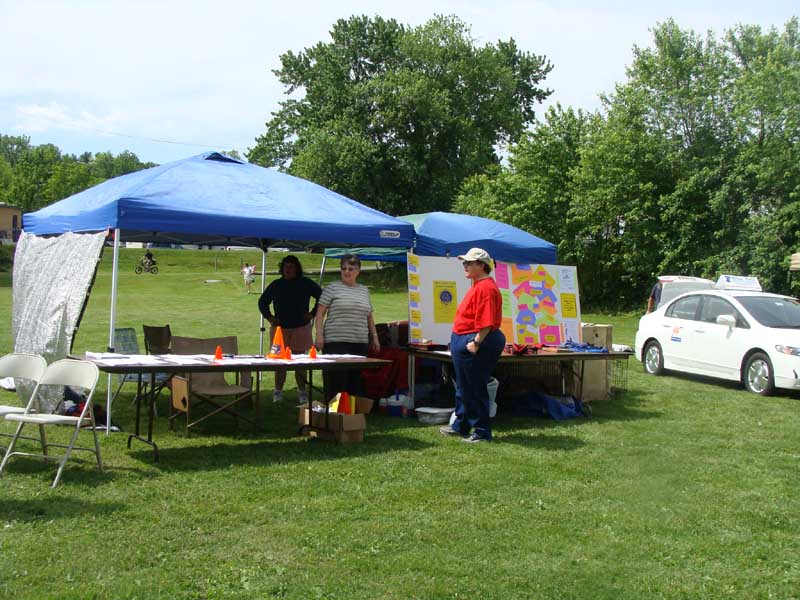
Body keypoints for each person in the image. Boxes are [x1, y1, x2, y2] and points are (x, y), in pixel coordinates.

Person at [439, 247, 505, 443]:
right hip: (467, 338)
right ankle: (462, 425)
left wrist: (476, 342)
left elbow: (486, 321)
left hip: (476, 340)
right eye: (464, 262)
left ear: (482, 266)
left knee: (474, 387)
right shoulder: (478, 285)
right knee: (465, 387)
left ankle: (482, 432)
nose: (465, 266)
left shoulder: (486, 288)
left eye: (469, 262)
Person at [314, 254, 380, 398]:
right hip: (335, 342)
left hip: (359, 342)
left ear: (358, 271)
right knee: (337, 380)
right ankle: (333, 412)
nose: (347, 271)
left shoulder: (364, 290)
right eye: (344, 268)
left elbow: (369, 315)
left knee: (355, 380)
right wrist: (319, 335)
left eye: (351, 268)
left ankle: (351, 414)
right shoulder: (332, 288)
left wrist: (375, 337)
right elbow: (320, 313)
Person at [258, 255, 322, 402]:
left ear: (297, 268)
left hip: (300, 327)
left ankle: (302, 393)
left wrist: (312, 314)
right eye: (286, 266)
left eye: (291, 266)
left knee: (300, 362)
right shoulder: (276, 284)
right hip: (280, 330)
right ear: (282, 268)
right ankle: (278, 392)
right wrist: (269, 317)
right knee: (279, 362)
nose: (288, 269)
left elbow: (322, 297)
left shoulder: (305, 283)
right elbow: (262, 302)